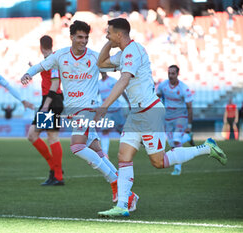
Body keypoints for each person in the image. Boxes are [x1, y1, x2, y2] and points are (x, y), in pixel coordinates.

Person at [94, 18, 227, 217]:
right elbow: (101, 63)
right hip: (136, 114)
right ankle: (122, 205)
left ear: (120, 34)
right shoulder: (123, 54)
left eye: (109, 32)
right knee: (123, 156)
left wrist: (105, 106)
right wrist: (109, 42)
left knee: (158, 161)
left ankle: (206, 147)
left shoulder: (134, 51)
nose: (106, 35)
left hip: (149, 111)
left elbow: (123, 80)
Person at [21, 20, 139, 209]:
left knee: (74, 146)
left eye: (86, 37)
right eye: (80, 37)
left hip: (76, 107)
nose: (84, 41)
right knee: (97, 152)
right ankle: (127, 193)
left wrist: (131, 58)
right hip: (68, 110)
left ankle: (113, 183)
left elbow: (117, 64)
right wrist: (28, 73)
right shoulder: (59, 56)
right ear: (72, 37)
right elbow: (40, 66)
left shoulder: (95, 57)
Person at [26, 35, 65, 186]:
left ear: (41, 47)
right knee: (32, 135)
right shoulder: (48, 61)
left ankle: (58, 175)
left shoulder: (53, 61)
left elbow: (55, 84)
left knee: (52, 137)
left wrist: (46, 104)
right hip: (50, 100)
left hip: (52, 100)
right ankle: (55, 170)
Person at [157, 65, 195, 176]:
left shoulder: (184, 88)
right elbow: (156, 96)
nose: (170, 76)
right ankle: (188, 137)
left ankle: (177, 168)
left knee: (177, 140)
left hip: (180, 117)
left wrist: (189, 125)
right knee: (172, 143)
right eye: (169, 73)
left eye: (173, 73)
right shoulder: (163, 85)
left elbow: (189, 107)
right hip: (168, 117)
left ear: (177, 74)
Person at [98, 72, 130, 154]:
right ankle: (105, 153)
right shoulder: (98, 83)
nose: (102, 72)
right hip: (106, 111)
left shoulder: (113, 81)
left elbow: (121, 91)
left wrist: (128, 102)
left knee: (121, 131)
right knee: (105, 131)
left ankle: (128, 147)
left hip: (116, 110)